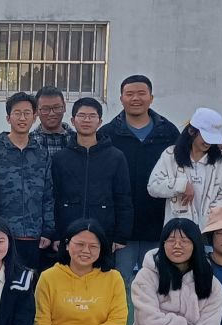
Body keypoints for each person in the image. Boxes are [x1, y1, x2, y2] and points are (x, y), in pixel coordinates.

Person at [99, 75, 180, 284]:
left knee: (157, 282)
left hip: (158, 224)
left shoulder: (169, 132)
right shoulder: (107, 134)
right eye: (130, 94)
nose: (136, 98)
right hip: (121, 230)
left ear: (151, 98)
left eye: (141, 93)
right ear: (121, 98)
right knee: (119, 283)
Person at [50, 98, 133, 252]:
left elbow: (123, 198)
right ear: (73, 120)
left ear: (100, 122)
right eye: (81, 116)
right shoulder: (60, 158)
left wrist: (121, 235)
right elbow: (53, 197)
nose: (86, 120)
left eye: (92, 116)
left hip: (103, 234)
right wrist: (55, 234)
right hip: (68, 234)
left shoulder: (115, 157)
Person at [0, 92, 55, 270]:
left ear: (34, 117)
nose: (22, 118)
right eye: (17, 113)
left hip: (34, 236)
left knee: (30, 281)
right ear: (8, 118)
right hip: (2, 235)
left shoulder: (41, 153)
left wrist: (48, 230)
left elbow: (48, 195)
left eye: (27, 113)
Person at [148, 108, 222, 230]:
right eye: (205, 137)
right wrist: (181, 185)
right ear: (191, 131)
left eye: (212, 138)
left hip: (210, 230)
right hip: (178, 231)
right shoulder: (171, 154)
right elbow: (153, 186)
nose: (208, 143)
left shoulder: (221, 159)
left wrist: (208, 217)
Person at [30, 86, 72, 156]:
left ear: (64, 107)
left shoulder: (76, 140)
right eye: (45, 109)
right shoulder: (29, 142)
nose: (52, 113)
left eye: (56, 107)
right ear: (36, 111)